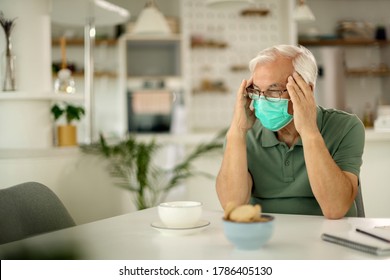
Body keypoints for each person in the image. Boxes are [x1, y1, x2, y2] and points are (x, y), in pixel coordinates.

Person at [216, 44, 365, 219]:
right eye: (256, 91)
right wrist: (237, 131)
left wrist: (309, 132)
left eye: (274, 90)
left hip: (329, 236)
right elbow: (232, 205)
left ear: (307, 90)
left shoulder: (346, 126)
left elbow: (335, 208)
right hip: (266, 234)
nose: (262, 101)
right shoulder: (243, 133)